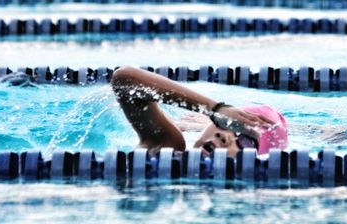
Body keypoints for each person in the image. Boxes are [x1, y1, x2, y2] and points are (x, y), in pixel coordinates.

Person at [111, 66, 288, 158]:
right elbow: (124, 78)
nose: (225, 137)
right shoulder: (167, 146)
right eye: (229, 125)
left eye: (245, 142)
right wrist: (215, 109)